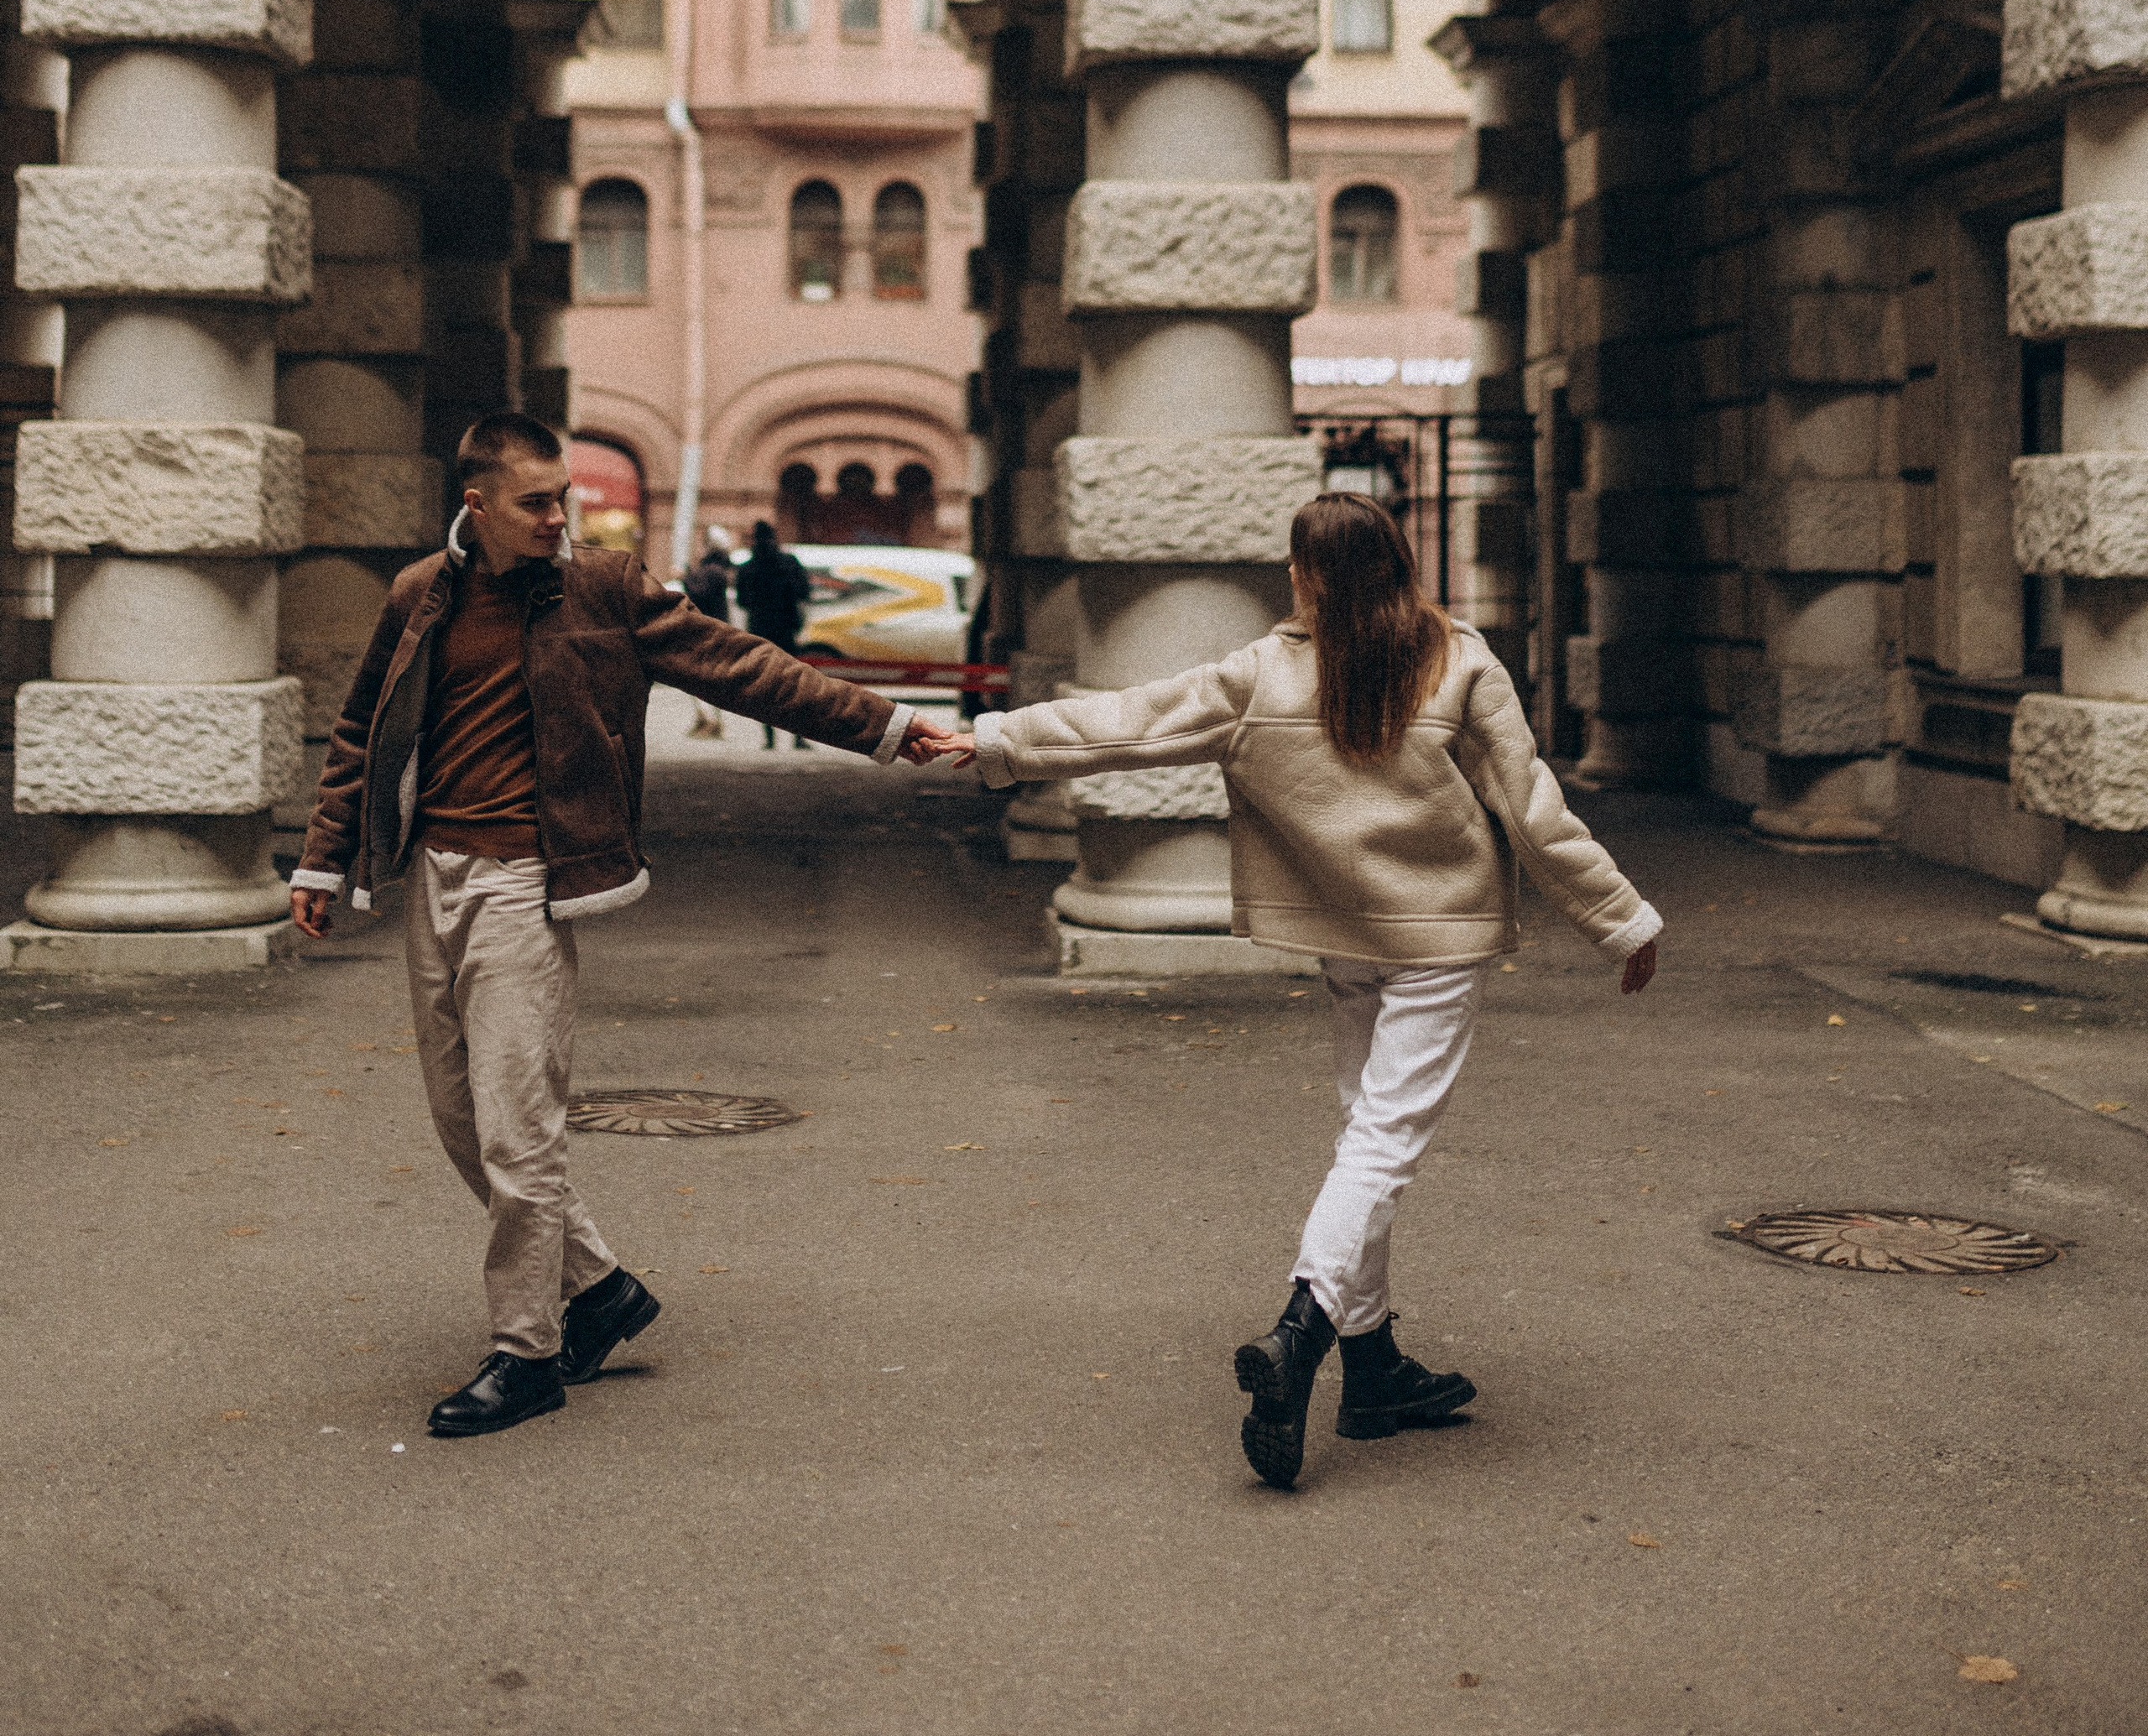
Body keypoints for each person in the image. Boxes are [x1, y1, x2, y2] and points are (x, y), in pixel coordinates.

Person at [952, 490, 1661, 1494]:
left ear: (1304, 577)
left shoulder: (1261, 672)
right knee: (1380, 1146)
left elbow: (1125, 722)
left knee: (1361, 1139)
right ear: (1398, 563)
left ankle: (1372, 1372)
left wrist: (994, 741)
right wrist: (1622, 919)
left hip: (1344, 938)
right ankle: (1304, 1328)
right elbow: (1533, 809)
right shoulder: (1458, 657)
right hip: (1436, 935)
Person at [289, 414, 967, 1442]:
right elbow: (363, 727)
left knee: (520, 1130)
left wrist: (881, 726)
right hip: (435, 874)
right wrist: (324, 854)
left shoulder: (602, 589)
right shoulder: (420, 591)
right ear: (477, 504)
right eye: (536, 502)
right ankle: (599, 1288)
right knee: (460, 1123)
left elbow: (742, 666)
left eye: (563, 497)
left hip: (529, 881)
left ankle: (526, 1353)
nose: (558, 517)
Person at [736, 518, 815, 750]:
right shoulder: (789, 563)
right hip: (787, 630)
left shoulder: (748, 567)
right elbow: (804, 592)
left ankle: (769, 739)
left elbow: (742, 601)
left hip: (760, 631)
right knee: (794, 685)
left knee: (764, 686)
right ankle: (798, 737)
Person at [680, 524, 734, 739]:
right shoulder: (718, 569)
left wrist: (685, 577)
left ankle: (710, 720)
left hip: (707, 630)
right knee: (708, 677)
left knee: (701, 676)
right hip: (714, 627)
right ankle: (709, 720)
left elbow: (699, 594)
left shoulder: (712, 571)